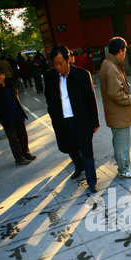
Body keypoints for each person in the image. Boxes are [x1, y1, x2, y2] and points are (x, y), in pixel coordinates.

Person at [44, 44, 100, 193]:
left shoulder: (82, 75)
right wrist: (53, 116)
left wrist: (95, 122)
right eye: (54, 63)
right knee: (68, 147)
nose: (58, 67)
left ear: (68, 59)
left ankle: (92, 181)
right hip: (62, 121)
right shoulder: (50, 77)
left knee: (87, 150)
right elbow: (48, 100)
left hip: (81, 120)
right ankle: (78, 165)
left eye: (60, 63)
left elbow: (91, 101)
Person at [100, 37, 131, 178]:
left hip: (118, 113)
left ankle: (126, 164)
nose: (125, 53)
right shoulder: (111, 67)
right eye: (125, 50)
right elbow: (116, 93)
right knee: (121, 143)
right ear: (120, 51)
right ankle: (124, 170)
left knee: (122, 142)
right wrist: (129, 99)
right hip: (118, 113)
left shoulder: (111, 63)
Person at [0, 65, 36, 165]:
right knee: (14, 140)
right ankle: (19, 159)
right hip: (6, 118)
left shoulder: (11, 84)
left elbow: (17, 96)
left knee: (23, 136)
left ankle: (26, 153)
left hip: (17, 114)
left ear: (3, 75)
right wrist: (0, 112)